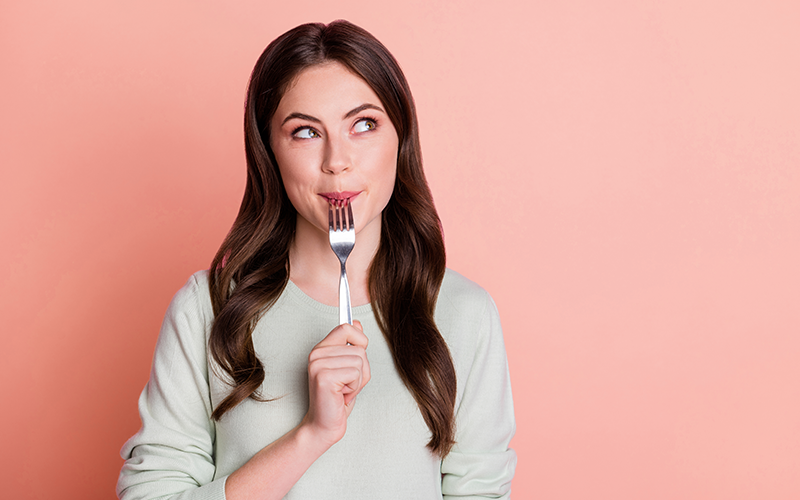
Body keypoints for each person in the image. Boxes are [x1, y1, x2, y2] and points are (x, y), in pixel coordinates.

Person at [117, 20, 516, 499]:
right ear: (269, 153)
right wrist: (313, 435)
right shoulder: (206, 308)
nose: (337, 160)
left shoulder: (464, 313)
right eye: (305, 132)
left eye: (364, 125)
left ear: (401, 139)